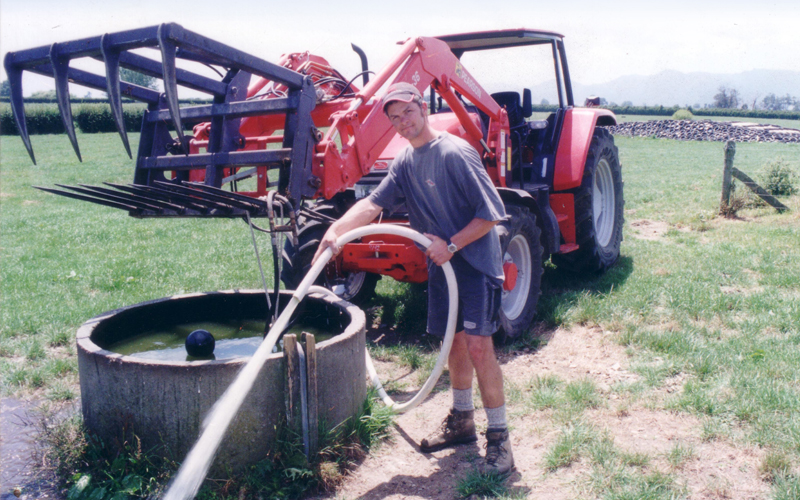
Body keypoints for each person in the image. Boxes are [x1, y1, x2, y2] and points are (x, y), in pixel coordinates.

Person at [312, 82, 514, 474]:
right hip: (444, 265)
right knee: (453, 342)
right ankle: (462, 422)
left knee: (477, 347)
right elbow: (372, 205)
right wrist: (335, 230)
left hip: (471, 262)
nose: (403, 122)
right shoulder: (406, 160)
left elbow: (492, 213)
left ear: (422, 108)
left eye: (407, 112)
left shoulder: (456, 152)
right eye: (394, 118)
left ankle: (501, 442)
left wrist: (452, 246)